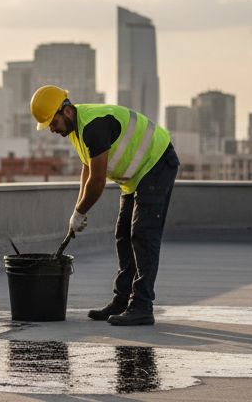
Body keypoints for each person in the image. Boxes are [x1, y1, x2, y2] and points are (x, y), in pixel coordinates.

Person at [30, 85, 179, 326]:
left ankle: (142, 306)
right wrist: (77, 209)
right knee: (123, 234)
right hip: (135, 177)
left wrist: (80, 212)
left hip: (157, 163)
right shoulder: (76, 129)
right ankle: (122, 301)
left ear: (66, 111)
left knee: (143, 234)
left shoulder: (93, 126)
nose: (52, 129)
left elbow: (98, 180)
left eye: (53, 123)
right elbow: (88, 169)